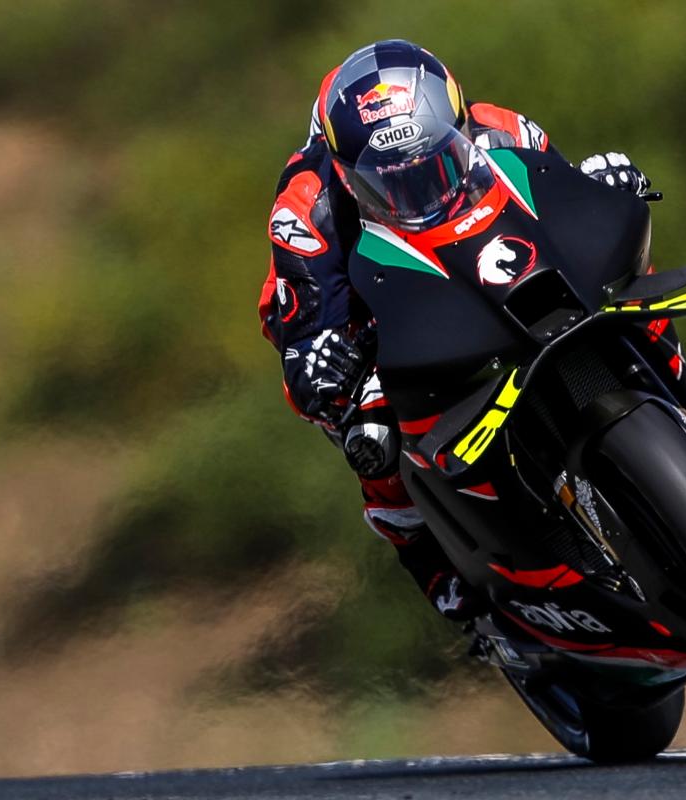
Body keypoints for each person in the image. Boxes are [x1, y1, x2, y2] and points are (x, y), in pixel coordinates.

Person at [258, 39, 653, 621]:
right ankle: (436, 573)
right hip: (369, 317)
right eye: (388, 180)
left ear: (460, 124)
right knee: (370, 441)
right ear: (345, 174)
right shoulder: (306, 214)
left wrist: (606, 185)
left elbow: (566, 201)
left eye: (435, 162)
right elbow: (305, 343)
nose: (416, 189)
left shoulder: (501, 128)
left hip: (493, 266)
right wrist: (322, 364)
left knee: (625, 293)